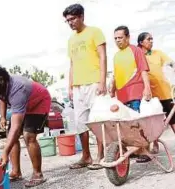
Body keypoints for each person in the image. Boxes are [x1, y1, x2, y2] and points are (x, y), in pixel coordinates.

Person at [0, 63, 51, 188]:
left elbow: (16, 127)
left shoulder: (18, 88)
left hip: (39, 102)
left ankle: (38, 174)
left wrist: (5, 151)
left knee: (29, 136)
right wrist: (3, 117)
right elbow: (1, 98)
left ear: (0, 80)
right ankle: (16, 172)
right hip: (24, 105)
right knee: (10, 135)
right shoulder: (0, 86)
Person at [63, 4, 107, 170]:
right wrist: (70, 86)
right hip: (78, 86)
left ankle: (100, 155)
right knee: (81, 122)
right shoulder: (71, 39)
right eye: (67, 20)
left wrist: (102, 81)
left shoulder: (95, 32)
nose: (70, 23)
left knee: (97, 120)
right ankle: (86, 156)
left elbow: (103, 57)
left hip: (94, 81)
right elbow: (72, 64)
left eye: (73, 19)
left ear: (81, 16)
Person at [109, 26, 152, 162]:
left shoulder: (136, 50)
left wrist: (147, 88)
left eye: (120, 38)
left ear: (127, 37)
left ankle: (144, 150)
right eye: (115, 38)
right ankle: (135, 149)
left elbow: (143, 69)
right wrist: (112, 89)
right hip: (122, 95)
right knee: (126, 124)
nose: (117, 41)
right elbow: (116, 75)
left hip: (135, 91)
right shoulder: (116, 56)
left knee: (137, 122)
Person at [137, 32, 175, 154]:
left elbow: (171, 63)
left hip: (165, 91)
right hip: (150, 95)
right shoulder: (138, 55)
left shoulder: (158, 53)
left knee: (173, 119)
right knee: (152, 122)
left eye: (152, 39)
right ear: (141, 42)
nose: (152, 41)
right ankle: (155, 145)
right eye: (149, 39)